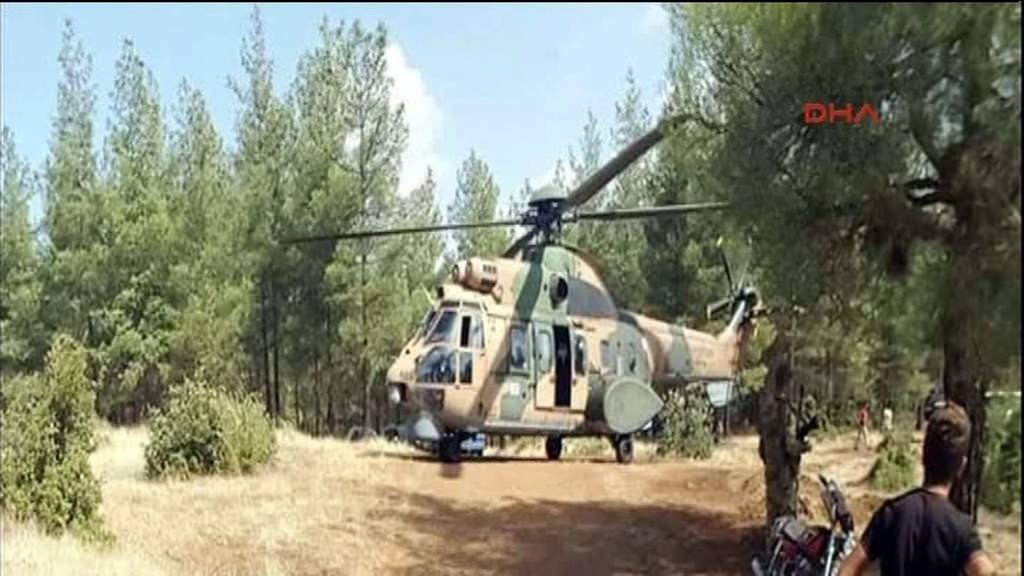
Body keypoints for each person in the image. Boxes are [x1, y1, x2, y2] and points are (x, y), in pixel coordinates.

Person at [838, 403, 995, 576]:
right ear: (961, 467)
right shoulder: (961, 529)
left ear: (923, 456)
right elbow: (984, 570)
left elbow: (847, 570)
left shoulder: (891, 513)